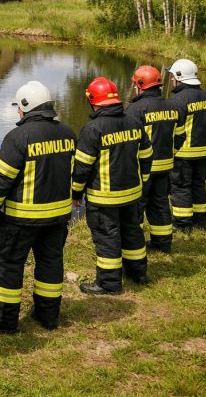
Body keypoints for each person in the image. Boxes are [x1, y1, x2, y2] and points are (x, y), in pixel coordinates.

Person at [0, 81, 76, 333]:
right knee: (51, 264)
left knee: (8, 267)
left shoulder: (18, 137)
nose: (18, 113)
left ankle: (3, 321)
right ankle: (48, 316)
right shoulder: (68, 133)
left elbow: (0, 181)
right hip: (58, 218)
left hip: (21, 219)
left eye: (19, 108)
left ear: (26, 107)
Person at [72, 77, 152, 294]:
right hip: (133, 194)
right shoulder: (134, 122)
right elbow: (146, 156)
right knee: (132, 233)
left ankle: (108, 283)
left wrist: (76, 192)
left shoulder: (92, 129)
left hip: (104, 197)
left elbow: (82, 168)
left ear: (91, 99)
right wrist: (142, 181)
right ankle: (138, 273)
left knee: (107, 238)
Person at [125, 66, 181, 252]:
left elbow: (130, 141)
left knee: (137, 209)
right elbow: (179, 136)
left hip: (143, 170)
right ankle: (163, 244)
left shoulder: (135, 109)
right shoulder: (172, 106)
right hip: (165, 168)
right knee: (160, 205)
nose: (134, 87)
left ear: (141, 85)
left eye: (135, 84)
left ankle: (136, 246)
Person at [166, 59, 206, 232]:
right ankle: (200, 221)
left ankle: (182, 225)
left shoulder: (177, 101)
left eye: (172, 76)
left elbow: (173, 130)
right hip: (204, 152)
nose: (171, 79)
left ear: (179, 76)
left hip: (183, 153)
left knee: (181, 187)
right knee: (198, 185)